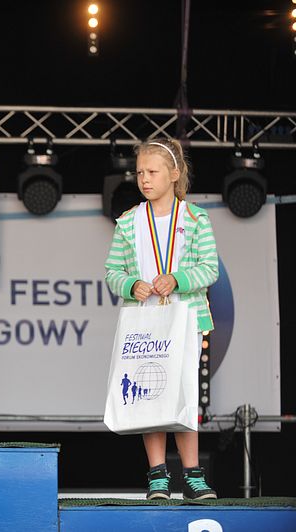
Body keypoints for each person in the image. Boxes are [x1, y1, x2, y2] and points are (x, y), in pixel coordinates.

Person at [105, 137, 218, 500]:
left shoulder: (195, 219)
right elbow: (112, 273)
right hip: (145, 322)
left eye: (152, 172)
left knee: (184, 393)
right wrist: (131, 285)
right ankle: (158, 475)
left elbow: (210, 269)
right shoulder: (128, 222)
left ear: (174, 173)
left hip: (186, 320)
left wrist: (177, 279)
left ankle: (193, 475)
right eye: (140, 172)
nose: (144, 179)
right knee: (149, 393)